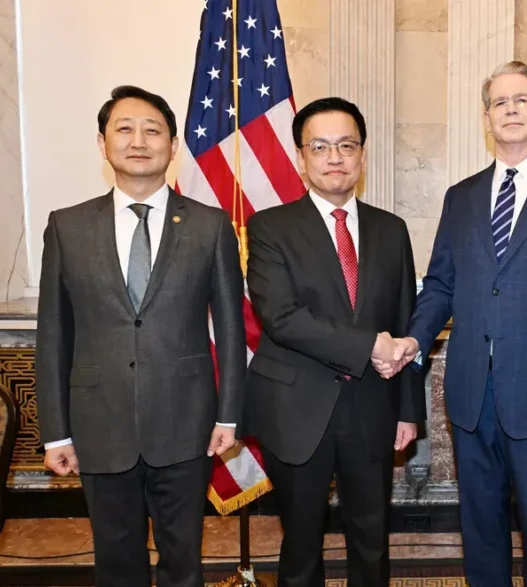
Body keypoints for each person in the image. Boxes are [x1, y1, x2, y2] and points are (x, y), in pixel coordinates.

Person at [378, 61, 527, 586]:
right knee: (480, 528)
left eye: (522, 99)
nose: (511, 109)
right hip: (470, 394)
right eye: (500, 102)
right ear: (486, 118)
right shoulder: (460, 197)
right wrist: (414, 338)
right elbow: (441, 285)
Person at [35, 85, 246, 586]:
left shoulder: (210, 225)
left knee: (183, 561)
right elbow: (53, 335)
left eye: (152, 131)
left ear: (172, 147)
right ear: (102, 143)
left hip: (187, 425)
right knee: (116, 563)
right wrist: (56, 431)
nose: (138, 141)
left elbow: (231, 329)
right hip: (99, 425)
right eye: (124, 129)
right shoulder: (67, 227)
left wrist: (229, 415)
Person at [244, 97, 425, 587]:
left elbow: (404, 321)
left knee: (372, 540)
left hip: (372, 408)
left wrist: (408, 411)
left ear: (362, 154)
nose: (334, 158)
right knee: (301, 544)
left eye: (346, 145)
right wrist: (369, 346)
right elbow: (281, 318)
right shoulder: (269, 227)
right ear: (301, 157)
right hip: (296, 409)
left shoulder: (392, 229)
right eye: (320, 147)